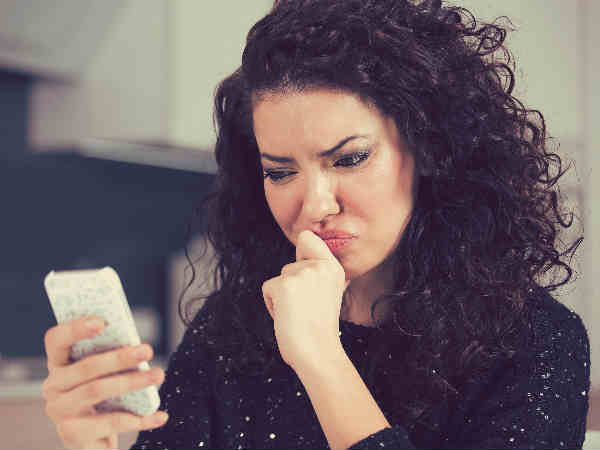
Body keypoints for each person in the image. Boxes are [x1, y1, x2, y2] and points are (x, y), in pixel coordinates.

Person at [42, 0, 590, 448]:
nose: (314, 206)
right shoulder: (231, 328)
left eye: (349, 159)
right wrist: (94, 444)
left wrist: (321, 358)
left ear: (427, 149)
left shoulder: (536, 343)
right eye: (281, 172)